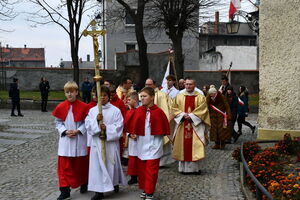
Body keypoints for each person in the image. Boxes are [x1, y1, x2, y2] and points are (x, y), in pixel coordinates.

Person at [85, 86, 127, 200]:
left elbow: (119, 126)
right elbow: (88, 126)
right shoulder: (93, 111)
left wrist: (107, 128)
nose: (102, 98)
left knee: (110, 164)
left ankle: (114, 182)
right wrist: (97, 121)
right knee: (98, 166)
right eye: (100, 96)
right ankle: (99, 191)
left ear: (109, 97)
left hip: (110, 143)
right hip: (97, 143)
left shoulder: (115, 110)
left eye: (105, 95)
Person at [129, 87, 170, 200]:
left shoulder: (158, 112)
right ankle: (144, 189)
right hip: (141, 145)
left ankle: (150, 192)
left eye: (145, 96)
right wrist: (132, 133)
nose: (142, 98)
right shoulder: (138, 110)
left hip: (154, 145)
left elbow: (163, 128)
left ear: (152, 97)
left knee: (151, 171)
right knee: (142, 170)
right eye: (141, 96)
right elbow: (132, 126)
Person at [52, 81, 90, 200]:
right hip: (66, 141)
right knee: (64, 167)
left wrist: (78, 130)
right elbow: (58, 122)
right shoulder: (61, 107)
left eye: (72, 92)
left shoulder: (84, 106)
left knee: (81, 166)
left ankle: (84, 183)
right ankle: (64, 190)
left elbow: (87, 123)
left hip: (79, 140)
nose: (69, 94)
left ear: (76, 92)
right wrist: (65, 131)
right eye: (67, 92)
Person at [172, 78, 211, 174]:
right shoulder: (179, 96)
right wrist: (182, 115)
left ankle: (194, 169)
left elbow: (203, 110)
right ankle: (183, 169)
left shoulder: (200, 97)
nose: (188, 86)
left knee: (195, 146)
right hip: (182, 124)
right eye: (187, 84)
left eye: (190, 84)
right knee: (182, 145)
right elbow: (173, 108)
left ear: (194, 85)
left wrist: (191, 116)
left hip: (195, 126)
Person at [145, 78, 174, 167]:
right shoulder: (143, 95)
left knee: (159, 142)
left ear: (154, 85)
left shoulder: (162, 95)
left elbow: (168, 110)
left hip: (158, 123)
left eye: (149, 85)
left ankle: (161, 162)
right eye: (146, 84)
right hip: (147, 123)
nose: (147, 86)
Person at [206, 85, 232, 150]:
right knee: (214, 131)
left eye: (212, 94)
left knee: (222, 131)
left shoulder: (221, 96)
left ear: (215, 93)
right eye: (210, 94)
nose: (211, 95)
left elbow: (227, 106)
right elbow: (206, 105)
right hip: (213, 117)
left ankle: (222, 144)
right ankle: (216, 144)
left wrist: (229, 115)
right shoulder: (209, 97)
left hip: (221, 116)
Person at [124, 92, 140, 185]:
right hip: (131, 137)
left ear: (135, 100)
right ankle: (133, 176)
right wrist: (129, 134)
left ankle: (140, 175)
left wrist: (138, 134)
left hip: (140, 137)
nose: (127, 102)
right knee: (132, 157)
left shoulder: (141, 111)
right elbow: (126, 125)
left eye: (129, 100)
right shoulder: (129, 111)